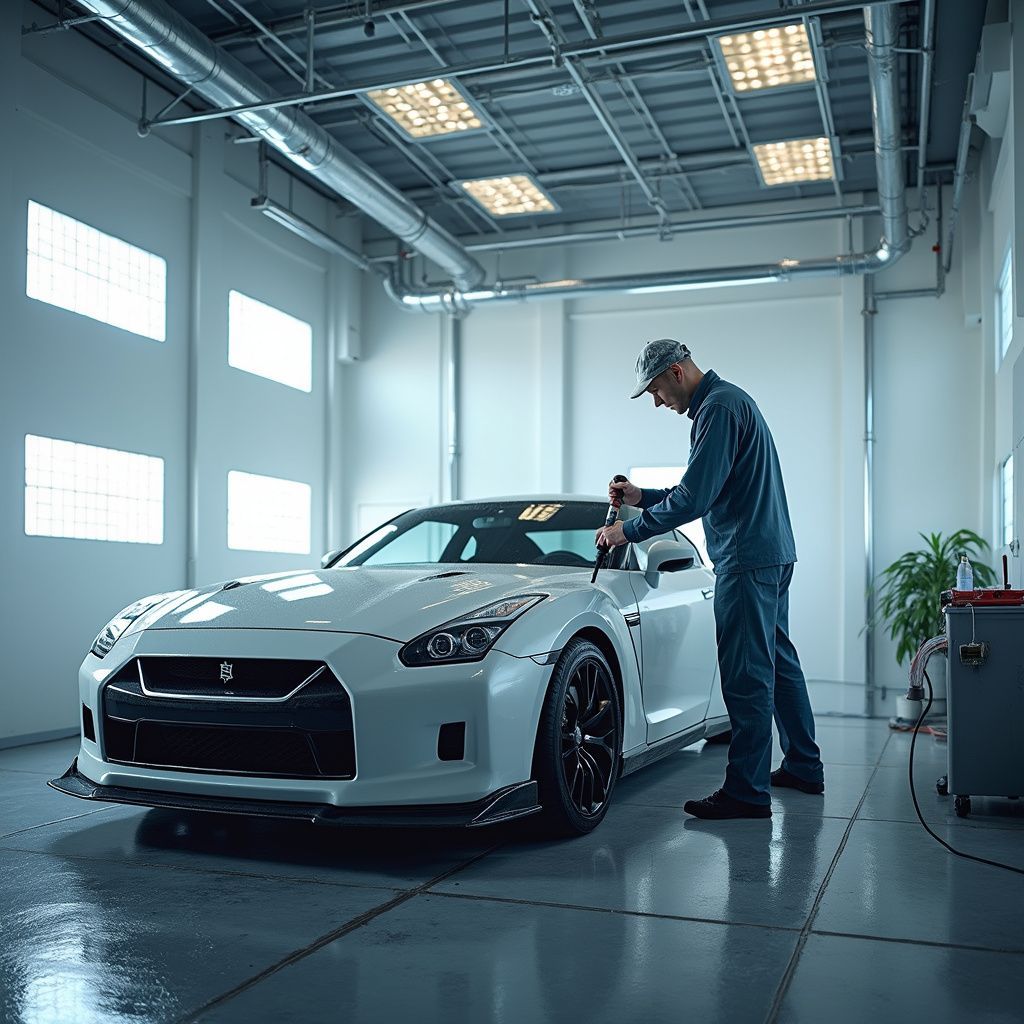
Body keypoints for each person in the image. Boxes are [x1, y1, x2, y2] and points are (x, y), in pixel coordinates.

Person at [595, 338, 824, 820]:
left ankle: (746, 791)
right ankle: (804, 765)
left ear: (676, 372)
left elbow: (696, 498)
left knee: (747, 676)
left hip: (745, 560)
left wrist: (627, 531)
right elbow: (704, 489)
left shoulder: (716, 410)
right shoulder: (732, 401)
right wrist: (641, 496)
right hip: (771, 553)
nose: (658, 403)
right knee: (779, 663)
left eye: (656, 391)